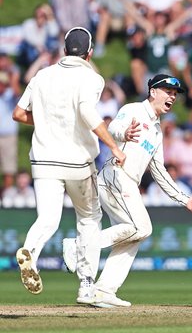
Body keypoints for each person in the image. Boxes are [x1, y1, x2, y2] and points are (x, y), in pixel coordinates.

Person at [62, 73, 192, 307]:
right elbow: (114, 128)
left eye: (175, 94)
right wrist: (124, 134)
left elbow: (159, 170)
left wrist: (185, 200)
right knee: (142, 227)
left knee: (134, 235)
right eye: (168, 92)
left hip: (128, 182)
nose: (172, 97)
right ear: (153, 92)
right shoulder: (133, 110)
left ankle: (103, 290)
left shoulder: (157, 130)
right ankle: (80, 246)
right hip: (115, 176)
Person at [12, 27, 126, 300]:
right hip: (77, 161)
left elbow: (18, 113)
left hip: (43, 160)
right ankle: (87, 284)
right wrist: (113, 146)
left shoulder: (42, 75)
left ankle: (31, 252)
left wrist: (49, 122)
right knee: (88, 219)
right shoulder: (92, 77)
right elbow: (86, 111)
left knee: (48, 219)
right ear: (90, 53)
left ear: (63, 50)